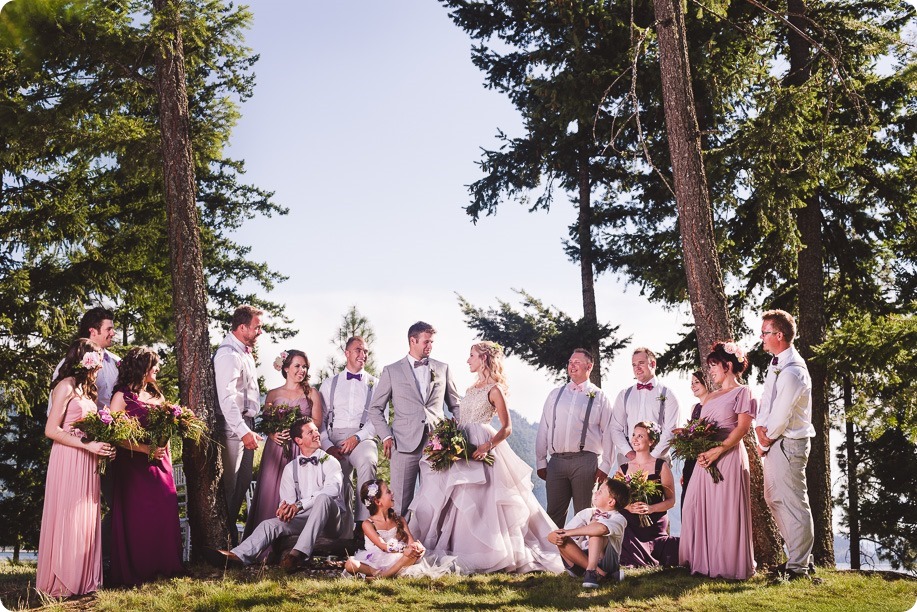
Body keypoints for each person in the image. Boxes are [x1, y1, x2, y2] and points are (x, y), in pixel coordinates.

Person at [409, 341, 563, 574]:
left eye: (472, 355)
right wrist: (449, 440)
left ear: (484, 359)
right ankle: (457, 546)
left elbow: (507, 427)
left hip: (483, 444)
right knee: (458, 495)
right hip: (462, 444)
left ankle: (488, 552)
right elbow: (461, 418)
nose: (468, 360)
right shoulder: (471, 390)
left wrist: (487, 446)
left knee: (482, 499)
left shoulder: (495, 389)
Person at [36, 339, 116, 597]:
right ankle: (62, 579)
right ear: (86, 360)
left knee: (85, 518)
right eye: (98, 359)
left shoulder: (86, 390)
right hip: (69, 456)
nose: (101, 365)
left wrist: (103, 446)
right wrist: (87, 445)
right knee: (68, 515)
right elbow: (51, 430)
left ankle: (83, 579)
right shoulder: (66, 386)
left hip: (87, 459)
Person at [215, 418, 345, 573]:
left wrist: (299, 505)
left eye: (316, 430)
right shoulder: (291, 468)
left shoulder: (330, 462)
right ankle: (237, 556)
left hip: (330, 522)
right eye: (311, 432)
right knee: (268, 524)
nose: (317, 434)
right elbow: (288, 501)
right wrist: (284, 510)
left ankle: (297, 554)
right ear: (299, 440)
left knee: (323, 498)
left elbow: (332, 490)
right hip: (304, 520)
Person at [679, 341, 756, 580]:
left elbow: (743, 428)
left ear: (728, 365)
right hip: (706, 458)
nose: (710, 371)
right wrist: (695, 443)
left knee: (725, 509)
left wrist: (719, 450)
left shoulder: (743, 392)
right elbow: (701, 428)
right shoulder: (710, 397)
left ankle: (727, 565)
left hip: (729, 455)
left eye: (714, 366)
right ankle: (703, 561)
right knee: (696, 505)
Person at [108, 347, 184, 586]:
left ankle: (165, 565)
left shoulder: (157, 395)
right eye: (155, 364)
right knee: (138, 516)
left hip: (160, 462)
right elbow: (113, 435)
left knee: (164, 509)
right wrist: (144, 449)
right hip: (133, 465)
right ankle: (139, 568)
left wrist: (163, 445)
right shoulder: (121, 396)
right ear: (142, 367)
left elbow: (167, 427)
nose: (158, 368)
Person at [369, 321, 460, 515]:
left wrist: (458, 435)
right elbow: (375, 408)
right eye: (426, 342)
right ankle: (399, 543)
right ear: (413, 340)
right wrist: (386, 436)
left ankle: (430, 543)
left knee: (438, 501)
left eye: (432, 342)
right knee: (400, 502)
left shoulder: (443, 368)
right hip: (403, 445)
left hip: (437, 446)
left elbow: (455, 405)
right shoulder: (391, 371)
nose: (430, 346)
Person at [756, 309, 815, 580]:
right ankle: (797, 558)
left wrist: (766, 438)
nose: (761, 337)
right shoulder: (776, 363)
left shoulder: (794, 372)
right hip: (774, 440)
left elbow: (781, 415)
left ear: (779, 335)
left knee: (793, 503)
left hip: (788, 443)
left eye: (765, 332)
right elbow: (768, 399)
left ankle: (799, 567)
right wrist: (759, 426)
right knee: (774, 498)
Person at [244, 349, 322, 543]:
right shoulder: (272, 394)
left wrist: (296, 429)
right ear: (286, 368)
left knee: (298, 492)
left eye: (304, 366)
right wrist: (273, 433)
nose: (301, 370)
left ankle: (294, 544)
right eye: (297, 366)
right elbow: (264, 422)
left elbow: (317, 422)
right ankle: (263, 545)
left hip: (299, 448)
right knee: (270, 491)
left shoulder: (311, 393)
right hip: (276, 450)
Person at [535, 348, 615, 531]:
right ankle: (554, 556)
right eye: (570, 362)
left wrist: (606, 465)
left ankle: (585, 556)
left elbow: (609, 432)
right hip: (556, 461)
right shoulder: (555, 394)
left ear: (589, 366)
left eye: (577, 362)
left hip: (586, 461)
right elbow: (544, 427)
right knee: (554, 512)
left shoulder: (600, 397)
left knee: (585, 512)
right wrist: (541, 460)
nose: (572, 365)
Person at [214, 304, 264, 541]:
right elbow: (226, 398)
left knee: (243, 483)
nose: (260, 332)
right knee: (229, 486)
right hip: (234, 427)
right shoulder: (228, 355)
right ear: (242, 327)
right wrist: (243, 430)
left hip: (247, 425)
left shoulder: (244, 352)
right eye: (257, 327)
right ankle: (223, 539)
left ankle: (231, 535)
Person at [320, 337, 379, 539]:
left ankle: (363, 525)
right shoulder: (329, 384)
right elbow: (321, 419)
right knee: (339, 480)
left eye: (366, 351)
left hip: (363, 437)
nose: (363, 355)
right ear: (346, 353)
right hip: (334, 438)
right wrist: (327, 445)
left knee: (368, 461)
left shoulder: (376, 384)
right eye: (358, 350)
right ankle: (342, 535)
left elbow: (377, 419)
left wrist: (357, 437)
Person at [616, 422, 679, 567]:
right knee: (622, 523)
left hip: (654, 521)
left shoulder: (661, 466)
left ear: (651, 441)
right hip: (630, 520)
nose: (635, 439)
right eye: (633, 435)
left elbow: (671, 501)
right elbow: (614, 499)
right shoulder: (623, 469)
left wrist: (650, 508)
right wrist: (629, 507)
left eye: (640, 436)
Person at [548, 477, 629, 589]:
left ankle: (592, 571)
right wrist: (554, 536)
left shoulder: (619, 518)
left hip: (606, 562)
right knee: (563, 540)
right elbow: (563, 533)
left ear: (611, 502)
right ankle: (601, 575)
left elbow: (600, 529)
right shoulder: (586, 513)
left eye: (600, 492)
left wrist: (567, 532)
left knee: (596, 531)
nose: (596, 492)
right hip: (580, 562)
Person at [610, 347, 681, 467]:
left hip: (658, 459)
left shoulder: (668, 394)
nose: (637, 368)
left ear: (653, 364)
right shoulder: (624, 395)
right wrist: (629, 453)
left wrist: (651, 457)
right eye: (634, 365)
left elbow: (671, 430)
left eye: (641, 363)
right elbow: (615, 427)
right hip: (628, 459)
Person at [343, 480, 427, 578]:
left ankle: (383, 576)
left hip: (398, 557)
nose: (392, 493)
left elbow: (410, 541)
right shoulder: (368, 524)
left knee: (417, 549)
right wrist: (405, 550)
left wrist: (416, 548)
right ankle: (387, 574)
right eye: (388, 492)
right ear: (378, 502)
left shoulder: (400, 520)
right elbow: (383, 546)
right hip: (375, 562)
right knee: (350, 564)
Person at [680, 371, 709, 509]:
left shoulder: (714, 406)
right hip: (692, 459)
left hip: (707, 459)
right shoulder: (694, 408)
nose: (693, 386)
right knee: (687, 500)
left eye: (696, 382)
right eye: (691, 383)